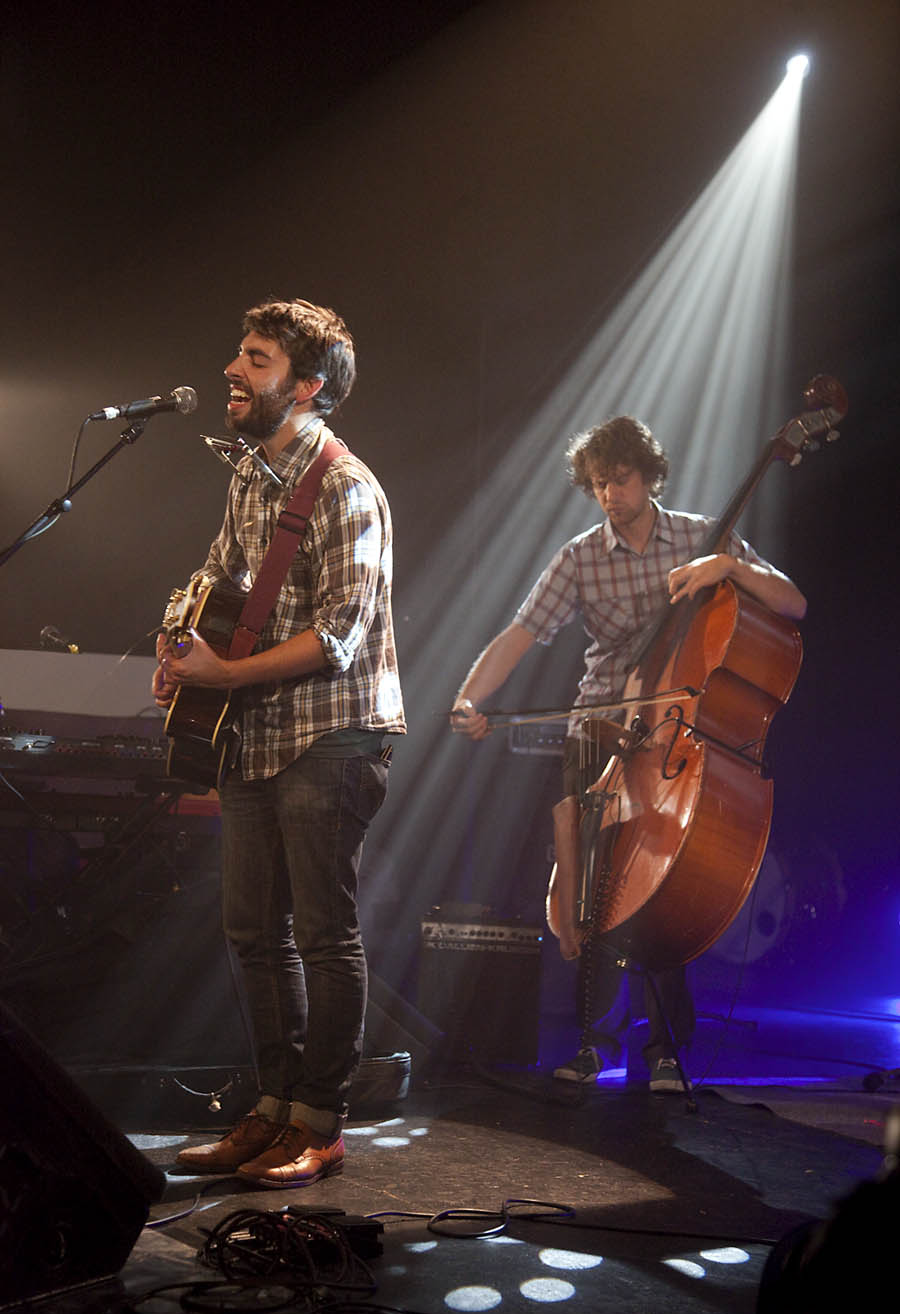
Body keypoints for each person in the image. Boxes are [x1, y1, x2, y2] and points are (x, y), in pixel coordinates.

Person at [451, 416, 806, 1090]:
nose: (608, 494)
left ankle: (666, 1050)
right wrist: (470, 699)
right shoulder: (581, 555)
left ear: (649, 476)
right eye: (596, 485)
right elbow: (522, 633)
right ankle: (591, 1042)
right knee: (596, 889)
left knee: (664, 885)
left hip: (674, 731)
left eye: (619, 479)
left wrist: (729, 565)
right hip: (603, 722)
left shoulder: (702, 535)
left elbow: (793, 603)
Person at [153, 298, 405, 1185]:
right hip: (254, 733)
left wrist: (224, 675)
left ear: (307, 388)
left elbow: (339, 632)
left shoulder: (343, 486)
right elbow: (214, 577)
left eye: (254, 360)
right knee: (253, 932)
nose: (232, 369)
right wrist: (181, 644)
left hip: (332, 736)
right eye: (240, 353)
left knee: (323, 934)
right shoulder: (250, 476)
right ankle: (270, 1110)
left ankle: (321, 1122)